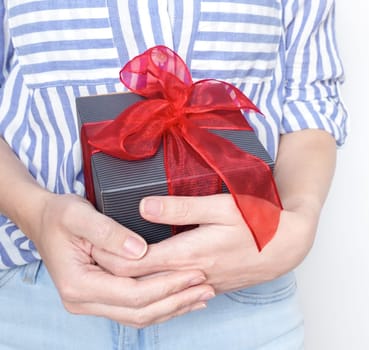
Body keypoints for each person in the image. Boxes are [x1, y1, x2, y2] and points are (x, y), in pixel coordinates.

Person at [0, 1, 348, 349]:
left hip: (242, 295)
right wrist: (36, 213)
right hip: (38, 301)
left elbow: (308, 100)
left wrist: (299, 218)